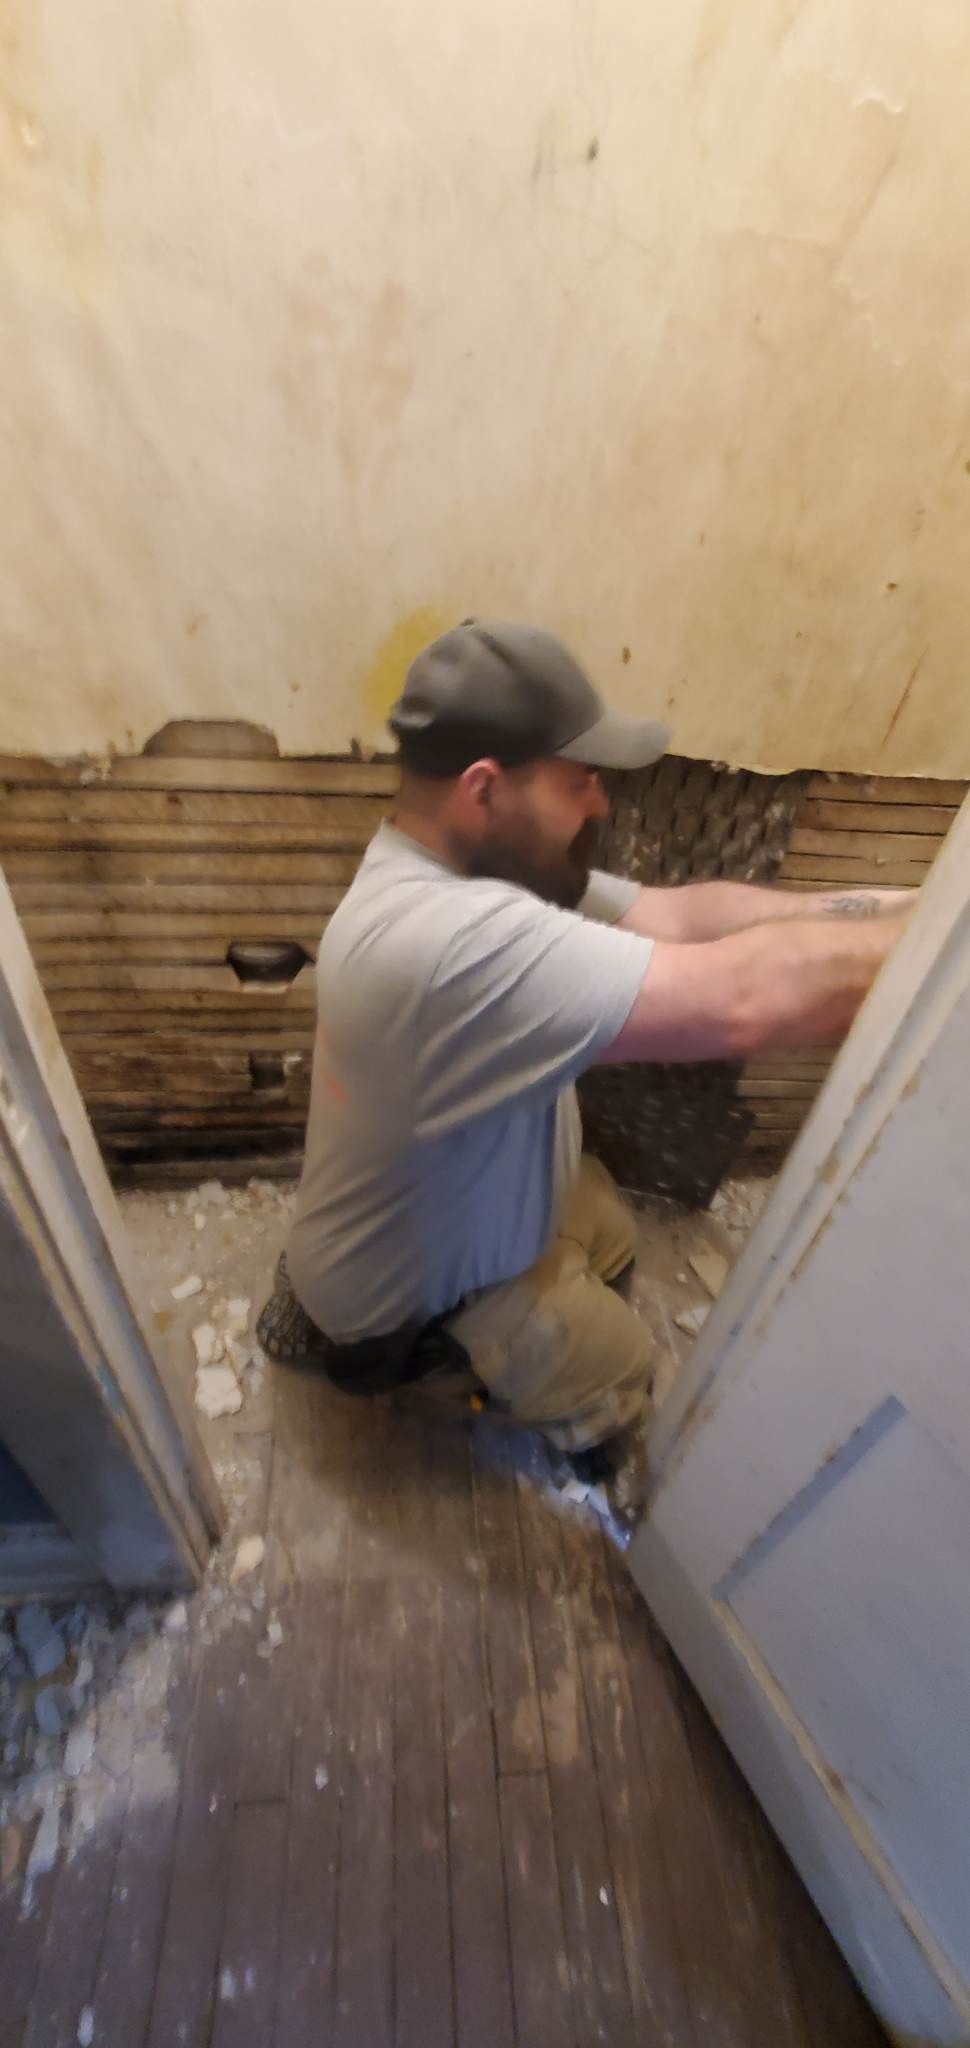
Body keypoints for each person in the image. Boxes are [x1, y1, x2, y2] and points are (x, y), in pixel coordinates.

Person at [258, 621, 909, 1503]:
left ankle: (517, 1324)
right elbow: (743, 999)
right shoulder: (445, 943)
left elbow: (681, 918)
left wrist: (911, 906)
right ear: (484, 789)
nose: (600, 804)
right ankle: (552, 1419)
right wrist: (940, 949)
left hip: (437, 1208)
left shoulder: (471, 868)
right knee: (620, 1358)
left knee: (607, 1229)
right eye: (579, 782)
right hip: (400, 1301)